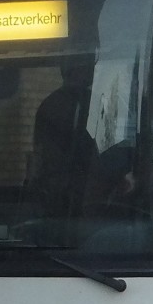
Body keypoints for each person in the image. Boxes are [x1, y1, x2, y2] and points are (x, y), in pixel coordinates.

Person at [32, 58, 98, 219]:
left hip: (87, 193)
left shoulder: (94, 100)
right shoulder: (53, 106)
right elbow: (45, 153)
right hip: (63, 194)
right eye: (85, 68)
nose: (90, 72)